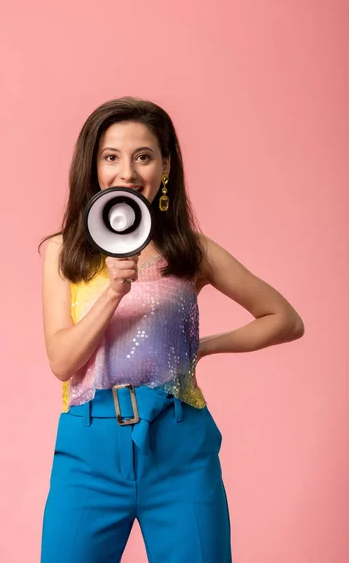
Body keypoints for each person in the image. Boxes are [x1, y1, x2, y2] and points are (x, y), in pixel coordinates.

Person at [39, 96, 305, 563]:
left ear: (165, 166)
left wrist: (201, 347)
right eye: (111, 157)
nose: (128, 172)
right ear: (93, 167)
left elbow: (285, 319)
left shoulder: (189, 252)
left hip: (180, 447)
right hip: (88, 448)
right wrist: (113, 293)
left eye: (143, 156)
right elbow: (62, 362)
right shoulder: (64, 251)